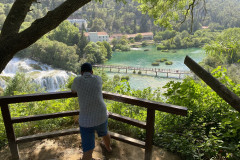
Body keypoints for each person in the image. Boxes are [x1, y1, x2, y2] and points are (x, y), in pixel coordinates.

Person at [71, 63, 112, 160]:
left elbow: (73, 91)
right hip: (101, 115)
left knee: (88, 149)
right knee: (104, 132)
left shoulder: (77, 80)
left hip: (86, 120)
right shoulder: (98, 78)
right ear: (92, 72)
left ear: (81, 73)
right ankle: (108, 148)